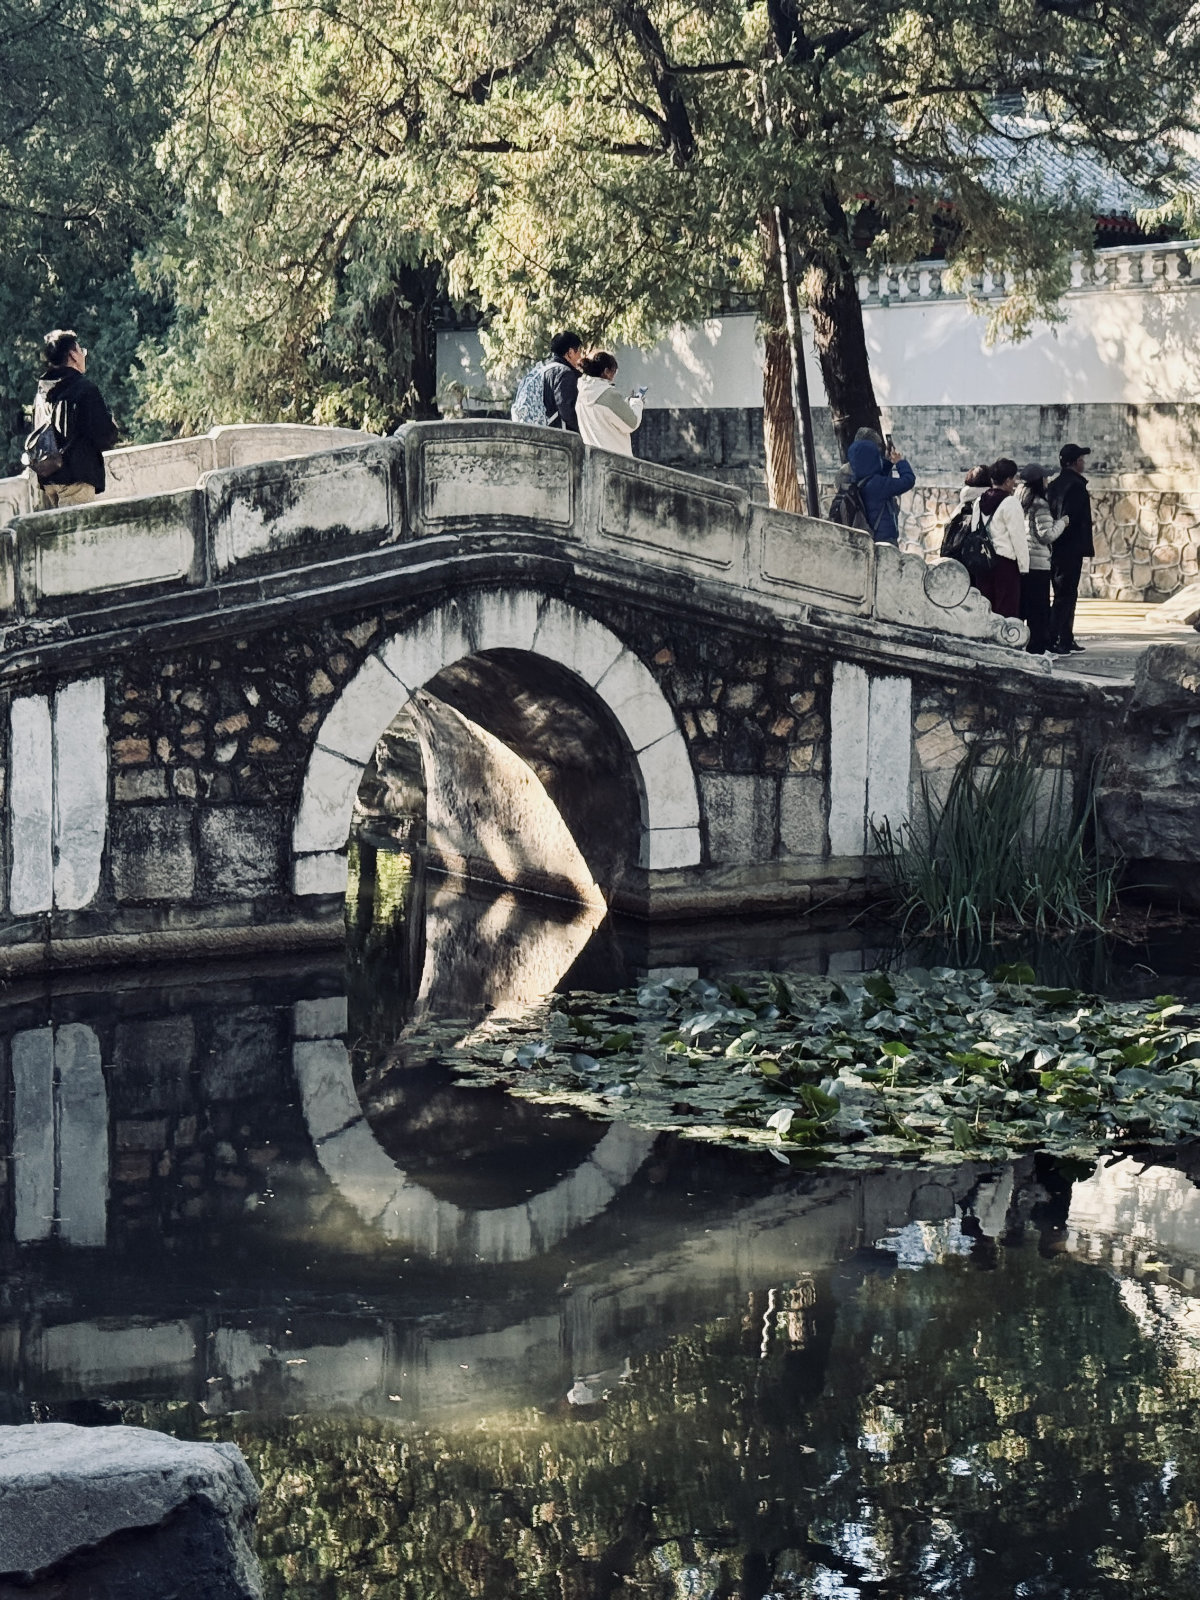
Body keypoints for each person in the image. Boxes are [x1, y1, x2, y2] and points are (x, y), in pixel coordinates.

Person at [28, 329, 118, 509]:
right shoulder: (84, 389)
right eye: (81, 351)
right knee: (79, 534)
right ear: (73, 356)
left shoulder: (42, 392)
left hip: (47, 478)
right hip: (75, 477)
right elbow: (104, 434)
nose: (84, 355)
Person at [1046, 443, 1094, 653]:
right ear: (1074, 462)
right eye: (1081, 459)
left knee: (1065, 593)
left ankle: (1066, 637)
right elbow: (1069, 518)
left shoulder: (1055, 485)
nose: (1084, 462)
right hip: (1069, 548)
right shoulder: (1075, 486)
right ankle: (1055, 637)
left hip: (1057, 547)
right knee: (1065, 594)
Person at [1017, 463, 1068, 654]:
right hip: (1038, 563)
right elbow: (1046, 535)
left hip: (1022, 561)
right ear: (1039, 482)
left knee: (1023, 606)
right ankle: (1037, 648)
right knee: (1039, 610)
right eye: (1045, 478)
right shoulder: (1040, 505)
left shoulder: (1018, 502)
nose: (1048, 481)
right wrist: (1062, 523)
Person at [972, 457, 1028, 618]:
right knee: (1006, 612)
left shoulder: (979, 501)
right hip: (1005, 564)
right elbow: (1018, 538)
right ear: (1008, 480)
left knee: (986, 611)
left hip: (983, 562)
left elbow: (975, 530)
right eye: (1014, 478)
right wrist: (1024, 567)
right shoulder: (1011, 503)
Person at [845, 427, 916, 543]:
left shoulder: (856, 481)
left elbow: (875, 476)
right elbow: (908, 480)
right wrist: (899, 462)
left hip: (870, 538)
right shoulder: (879, 485)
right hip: (884, 541)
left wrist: (888, 463)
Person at [575, 352, 644, 456]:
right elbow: (632, 423)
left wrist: (624, 404)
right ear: (606, 371)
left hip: (592, 458)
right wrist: (636, 402)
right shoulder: (608, 394)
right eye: (614, 372)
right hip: (616, 460)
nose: (614, 377)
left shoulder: (581, 394)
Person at [542, 330, 585, 433]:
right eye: (578, 351)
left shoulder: (544, 370)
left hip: (542, 430)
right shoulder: (565, 373)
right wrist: (584, 430)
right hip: (560, 436)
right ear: (570, 353)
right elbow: (567, 411)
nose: (580, 356)